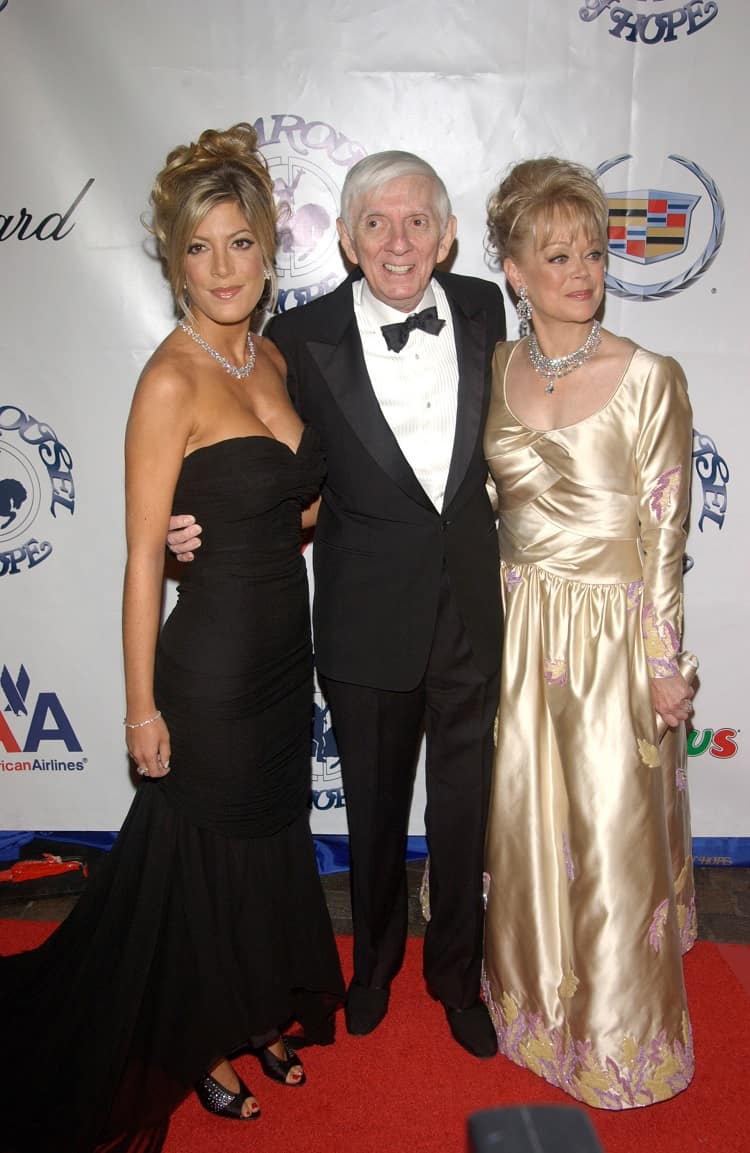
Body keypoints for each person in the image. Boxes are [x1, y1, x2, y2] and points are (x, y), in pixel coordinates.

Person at [0, 123, 343, 1153]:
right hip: (211, 672)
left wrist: (231, 521)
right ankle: (195, 1040)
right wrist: (141, 707)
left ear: (269, 250)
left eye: (239, 243)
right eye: (199, 248)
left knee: (265, 845)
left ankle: (244, 1008)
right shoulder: (168, 381)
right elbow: (144, 559)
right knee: (202, 861)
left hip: (286, 657)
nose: (222, 267)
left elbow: (303, 509)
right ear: (171, 261)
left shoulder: (272, 354)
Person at [170, 151, 506, 1057]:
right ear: (350, 239)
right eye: (376, 223)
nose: (398, 242)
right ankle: (373, 970)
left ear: (446, 235)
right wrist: (186, 521)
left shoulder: (485, 307)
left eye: (417, 222)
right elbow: (252, 450)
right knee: (373, 813)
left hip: (475, 612)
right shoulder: (298, 337)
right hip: (363, 620)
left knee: (466, 813)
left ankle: (457, 976)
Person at [481, 157, 696, 1108]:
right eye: (556, 254)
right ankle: (534, 1017)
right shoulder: (499, 364)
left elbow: (665, 531)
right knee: (531, 833)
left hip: (614, 634)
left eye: (595, 253)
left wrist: (665, 663)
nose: (582, 270)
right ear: (515, 271)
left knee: (611, 844)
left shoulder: (650, 375)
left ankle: (620, 1043)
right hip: (526, 628)